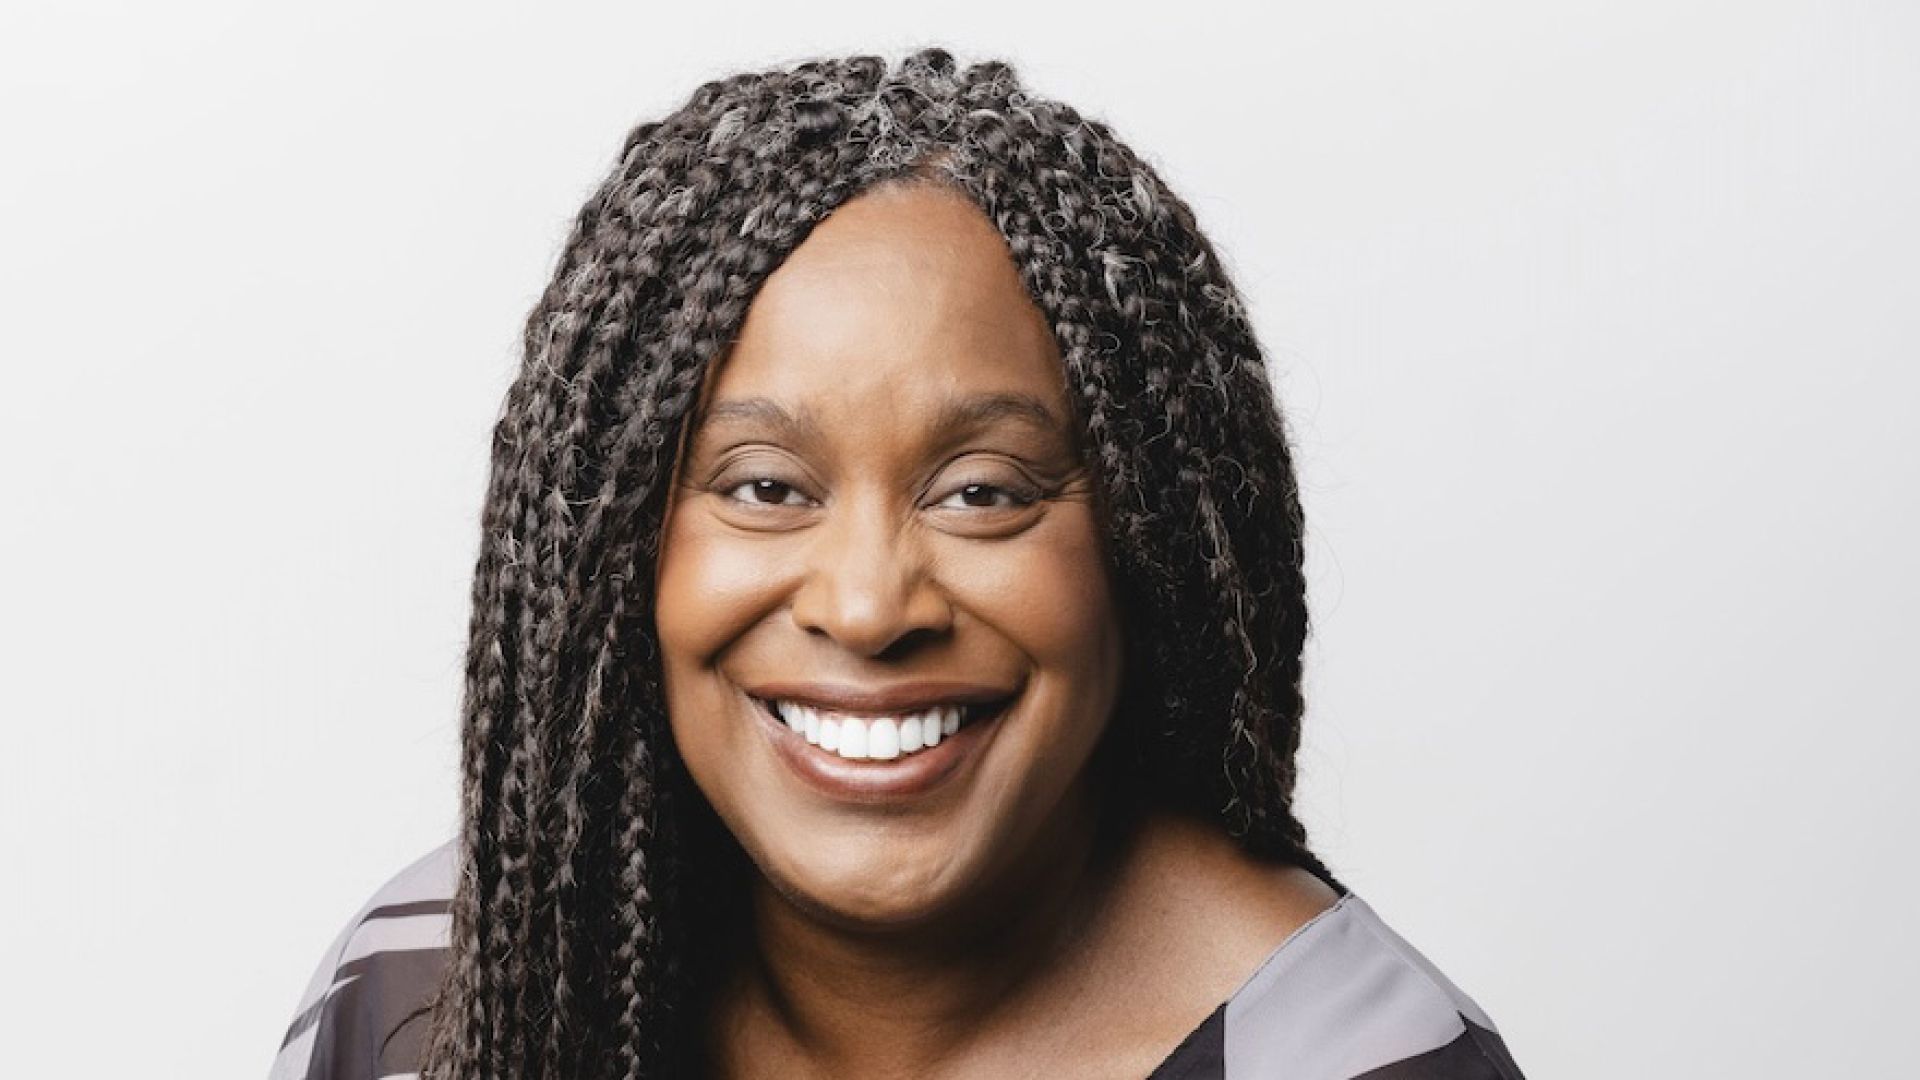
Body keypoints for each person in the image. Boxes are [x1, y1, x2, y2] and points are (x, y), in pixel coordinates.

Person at [269, 46, 1528, 1080]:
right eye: (766, 488)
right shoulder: (429, 997)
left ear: (1141, 550)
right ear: (620, 555)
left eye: (982, 494)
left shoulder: (1359, 1062)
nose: (868, 605)